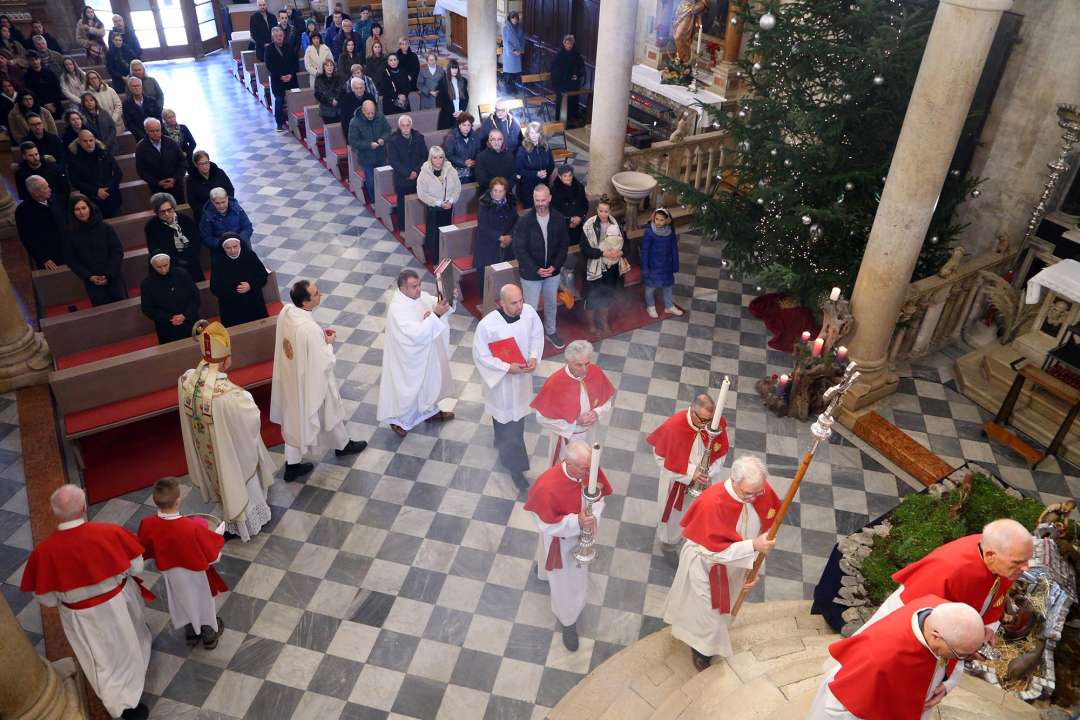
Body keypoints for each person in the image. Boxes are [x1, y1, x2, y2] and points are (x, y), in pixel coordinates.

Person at [19, 484, 152, 720]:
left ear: (50, 511)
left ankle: (123, 705)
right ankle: (126, 704)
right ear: (84, 507)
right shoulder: (110, 532)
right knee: (129, 645)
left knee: (100, 659)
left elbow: (47, 599)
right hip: (118, 604)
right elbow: (136, 567)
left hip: (81, 617)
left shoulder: (43, 553)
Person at [662, 455, 782, 670]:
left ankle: (704, 644)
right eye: (748, 493)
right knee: (709, 616)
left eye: (758, 493)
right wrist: (754, 546)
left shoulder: (760, 490)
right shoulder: (712, 502)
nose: (754, 498)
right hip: (706, 566)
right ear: (734, 481)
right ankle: (702, 652)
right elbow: (713, 552)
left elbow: (765, 534)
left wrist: (753, 568)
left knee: (723, 613)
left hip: (737, 565)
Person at [807, 599, 985, 719]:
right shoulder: (880, 658)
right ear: (936, 637)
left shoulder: (944, 614)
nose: (963, 658)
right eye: (961, 655)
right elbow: (840, 708)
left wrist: (947, 684)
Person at [858, 519, 1032, 640]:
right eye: (1018, 562)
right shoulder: (948, 569)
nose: (1026, 568)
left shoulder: (1002, 562)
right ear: (990, 555)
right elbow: (912, 619)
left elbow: (994, 598)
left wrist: (986, 629)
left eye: (1027, 560)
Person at [180, 321, 277, 539]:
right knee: (239, 481)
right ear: (225, 361)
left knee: (223, 479)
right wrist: (244, 395)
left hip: (209, 450)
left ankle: (232, 514)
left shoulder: (188, 380)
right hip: (230, 451)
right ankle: (245, 521)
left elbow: (187, 381)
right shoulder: (228, 394)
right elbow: (250, 415)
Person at [270, 280, 368, 481]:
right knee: (328, 406)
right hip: (310, 380)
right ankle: (341, 447)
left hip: (291, 376)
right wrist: (329, 343)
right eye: (316, 294)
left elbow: (301, 342)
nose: (320, 294)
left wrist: (317, 339)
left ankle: (295, 463)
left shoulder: (287, 312)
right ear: (305, 303)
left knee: (294, 420)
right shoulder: (308, 329)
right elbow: (325, 361)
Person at [524, 440, 613, 650]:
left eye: (590, 467)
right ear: (568, 463)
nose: (590, 473)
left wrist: (592, 519)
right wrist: (577, 522)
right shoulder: (547, 485)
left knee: (560, 575)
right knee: (567, 583)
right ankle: (568, 620)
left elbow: (598, 499)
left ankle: (543, 573)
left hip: (582, 533)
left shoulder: (590, 470)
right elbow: (545, 524)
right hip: (562, 541)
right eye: (584, 469)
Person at [137, 477, 225, 649]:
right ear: (178, 501)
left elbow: (144, 547)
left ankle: (191, 632)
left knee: (182, 601)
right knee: (202, 602)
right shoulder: (190, 527)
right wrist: (219, 533)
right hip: (196, 574)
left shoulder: (147, 523)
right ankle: (209, 636)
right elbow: (213, 556)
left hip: (171, 575)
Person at [473, 283, 543, 489]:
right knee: (508, 422)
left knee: (513, 421)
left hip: (521, 379)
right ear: (502, 303)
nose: (520, 305)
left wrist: (533, 357)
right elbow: (481, 356)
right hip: (501, 383)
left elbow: (536, 336)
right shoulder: (487, 325)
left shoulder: (528, 313)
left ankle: (500, 442)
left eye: (521, 300)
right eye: (514, 303)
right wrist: (505, 368)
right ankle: (516, 468)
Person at [647, 394, 729, 568]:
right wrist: (692, 473)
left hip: (705, 482)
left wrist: (709, 473)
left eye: (711, 420)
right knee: (674, 517)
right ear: (692, 412)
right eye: (704, 420)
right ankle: (668, 546)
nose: (708, 425)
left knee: (701, 513)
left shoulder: (714, 423)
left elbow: (721, 452)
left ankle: (693, 542)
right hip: (677, 484)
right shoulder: (673, 426)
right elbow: (660, 458)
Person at [376, 269, 457, 437]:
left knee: (430, 381)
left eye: (419, 284)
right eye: (414, 287)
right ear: (402, 289)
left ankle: (430, 412)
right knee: (412, 387)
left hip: (428, 352)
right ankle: (400, 420)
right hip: (410, 358)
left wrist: (449, 299)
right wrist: (436, 314)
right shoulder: (398, 309)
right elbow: (416, 335)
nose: (419, 289)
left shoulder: (421, 296)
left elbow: (437, 305)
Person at [531, 339, 615, 464]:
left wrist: (597, 412)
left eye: (587, 363)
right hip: (567, 437)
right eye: (578, 365)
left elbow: (606, 399)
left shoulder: (595, 371)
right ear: (567, 362)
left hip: (589, 432)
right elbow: (542, 418)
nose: (584, 370)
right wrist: (575, 422)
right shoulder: (555, 382)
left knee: (587, 462)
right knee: (568, 466)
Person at [512, 184, 570, 347]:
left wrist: (555, 266)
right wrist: (536, 269)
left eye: (543, 200)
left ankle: (550, 332)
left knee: (551, 304)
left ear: (549, 198)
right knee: (530, 309)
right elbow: (519, 250)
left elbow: (564, 245)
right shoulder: (524, 222)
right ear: (533, 199)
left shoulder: (558, 218)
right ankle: (530, 337)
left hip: (552, 273)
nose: (540, 204)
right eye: (537, 200)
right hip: (531, 275)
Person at [580, 196, 627, 337]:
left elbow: (626, 244)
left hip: (611, 269)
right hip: (594, 267)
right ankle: (591, 324)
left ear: (610, 211)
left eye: (606, 211)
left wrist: (621, 252)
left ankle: (603, 322)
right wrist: (602, 253)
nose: (603, 214)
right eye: (600, 211)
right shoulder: (588, 226)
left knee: (606, 295)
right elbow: (584, 249)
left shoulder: (617, 224)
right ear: (597, 210)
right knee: (592, 296)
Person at [473, 177, 518, 301]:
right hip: (488, 246)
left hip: (507, 244)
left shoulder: (510, 203)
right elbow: (484, 226)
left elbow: (516, 222)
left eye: (501, 191)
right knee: (486, 276)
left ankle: (504, 298)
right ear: (491, 190)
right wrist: (501, 238)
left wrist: (509, 237)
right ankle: (486, 301)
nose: (498, 194)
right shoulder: (484, 205)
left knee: (504, 274)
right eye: (495, 191)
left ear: (505, 192)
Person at [211, 234, 270, 327]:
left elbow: (262, 276)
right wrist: (234, 291)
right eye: (228, 248)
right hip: (231, 307)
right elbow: (215, 288)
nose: (233, 251)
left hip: (254, 303)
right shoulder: (218, 262)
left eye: (235, 246)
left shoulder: (250, 255)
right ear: (223, 248)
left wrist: (250, 286)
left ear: (240, 245)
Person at [141, 253, 201, 343]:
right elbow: (148, 308)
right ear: (153, 266)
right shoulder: (147, 283)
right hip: (166, 327)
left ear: (169, 262)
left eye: (165, 265)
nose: (163, 269)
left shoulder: (183, 274)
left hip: (191, 321)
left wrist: (185, 315)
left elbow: (195, 297)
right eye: (159, 267)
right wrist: (169, 318)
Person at [145, 192, 204, 282]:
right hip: (169, 267)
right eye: (162, 211)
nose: (167, 214)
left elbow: (196, 242)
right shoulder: (151, 227)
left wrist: (188, 260)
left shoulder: (185, 219)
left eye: (169, 210)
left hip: (192, 263)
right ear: (156, 212)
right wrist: (177, 262)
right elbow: (155, 250)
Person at [417, 145, 461, 263]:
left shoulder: (451, 170)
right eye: (435, 158)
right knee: (435, 236)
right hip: (434, 210)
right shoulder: (424, 173)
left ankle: (447, 257)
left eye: (441, 157)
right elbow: (422, 194)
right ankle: (436, 260)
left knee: (447, 234)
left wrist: (450, 201)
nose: (438, 161)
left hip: (448, 208)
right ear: (430, 159)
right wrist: (439, 203)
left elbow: (457, 188)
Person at [67, 129, 124, 218]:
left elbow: (118, 174)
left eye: (91, 140)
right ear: (79, 142)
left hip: (111, 197)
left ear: (95, 140)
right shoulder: (74, 159)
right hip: (91, 201)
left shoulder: (105, 153)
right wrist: (96, 191)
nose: (89, 143)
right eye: (85, 141)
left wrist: (106, 190)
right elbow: (76, 181)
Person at [641, 207, 684, 319]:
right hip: (653, 265)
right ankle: (650, 306)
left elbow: (674, 249)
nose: (658, 222)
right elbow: (644, 252)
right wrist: (645, 269)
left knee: (668, 286)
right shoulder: (649, 232)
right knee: (650, 287)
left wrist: (675, 264)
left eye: (661, 220)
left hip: (666, 264)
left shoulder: (670, 231)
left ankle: (669, 306)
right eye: (656, 219)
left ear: (667, 220)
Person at [15, 175, 66, 269]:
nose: (50, 190)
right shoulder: (23, 211)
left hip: (67, 249)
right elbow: (27, 239)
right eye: (46, 188)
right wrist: (43, 258)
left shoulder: (54, 199)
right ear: (36, 193)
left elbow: (66, 221)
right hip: (50, 257)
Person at [387, 114, 426, 232]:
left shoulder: (419, 137)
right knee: (402, 204)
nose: (405, 128)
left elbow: (425, 156)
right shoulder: (393, 140)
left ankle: (417, 225)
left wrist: (416, 171)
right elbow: (394, 161)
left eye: (407, 125)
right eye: (403, 126)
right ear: (399, 127)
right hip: (402, 178)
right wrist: (408, 173)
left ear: (411, 126)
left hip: (417, 176)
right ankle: (403, 228)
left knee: (417, 203)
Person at [348, 98, 390, 204]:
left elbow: (388, 131)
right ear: (363, 111)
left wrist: (383, 139)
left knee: (383, 180)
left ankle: (383, 200)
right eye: (368, 113)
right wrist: (369, 145)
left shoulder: (380, 117)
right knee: (371, 182)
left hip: (381, 155)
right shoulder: (355, 122)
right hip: (366, 158)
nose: (371, 115)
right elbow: (353, 142)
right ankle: (374, 201)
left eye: (372, 112)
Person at [136, 117, 187, 204]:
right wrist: (157, 182)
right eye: (152, 131)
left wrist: (175, 178)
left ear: (161, 129)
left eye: (157, 130)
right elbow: (141, 170)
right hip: (157, 189)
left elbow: (183, 162)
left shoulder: (171, 142)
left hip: (176, 187)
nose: (155, 133)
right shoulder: (141, 147)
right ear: (146, 131)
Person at [186, 151, 235, 225]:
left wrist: (225, 204)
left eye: (206, 163)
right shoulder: (191, 179)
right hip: (204, 213)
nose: (204, 166)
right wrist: (206, 212)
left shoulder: (219, 172)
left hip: (223, 208)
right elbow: (192, 200)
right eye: (201, 164)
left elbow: (230, 189)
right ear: (196, 164)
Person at [265, 26, 299, 133]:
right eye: (276, 36)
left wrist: (291, 74)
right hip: (278, 80)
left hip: (291, 79)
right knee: (279, 101)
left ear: (283, 36)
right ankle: (279, 123)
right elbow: (269, 65)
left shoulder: (289, 47)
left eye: (280, 35)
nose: (279, 38)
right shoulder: (269, 49)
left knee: (295, 100)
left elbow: (295, 61)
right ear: (272, 37)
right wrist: (281, 76)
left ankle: (295, 122)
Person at [516, 121, 554, 209]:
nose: (534, 135)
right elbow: (519, 169)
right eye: (531, 133)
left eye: (536, 132)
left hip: (544, 184)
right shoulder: (522, 149)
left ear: (540, 133)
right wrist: (536, 174)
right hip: (528, 187)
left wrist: (546, 173)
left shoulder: (545, 147)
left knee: (544, 208)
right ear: (528, 134)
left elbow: (551, 164)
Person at [549, 164, 588, 247]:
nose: (568, 178)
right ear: (560, 177)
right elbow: (554, 210)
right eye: (565, 176)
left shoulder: (579, 186)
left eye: (570, 175)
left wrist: (579, 218)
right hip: (563, 226)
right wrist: (570, 220)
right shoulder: (554, 191)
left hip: (578, 224)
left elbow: (584, 204)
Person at [552, 34, 586, 127]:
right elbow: (557, 71)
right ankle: (561, 120)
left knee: (573, 100)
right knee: (563, 101)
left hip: (573, 83)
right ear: (564, 43)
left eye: (571, 43)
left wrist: (577, 75)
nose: (570, 45)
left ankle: (572, 119)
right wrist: (569, 76)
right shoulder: (560, 55)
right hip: (563, 83)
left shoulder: (576, 53)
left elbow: (581, 65)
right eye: (568, 43)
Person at [340, 71, 378, 139]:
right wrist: (348, 137)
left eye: (361, 88)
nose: (359, 90)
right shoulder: (346, 99)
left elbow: (376, 115)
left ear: (364, 88)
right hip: (354, 132)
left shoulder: (370, 97)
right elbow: (344, 120)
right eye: (357, 88)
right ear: (352, 89)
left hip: (370, 132)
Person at [122, 77, 162, 142]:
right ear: (130, 88)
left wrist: (156, 132)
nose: (136, 88)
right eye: (134, 86)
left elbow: (158, 117)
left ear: (141, 87)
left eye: (138, 85)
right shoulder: (126, 104)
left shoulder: (152, 101)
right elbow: (130, 124)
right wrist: (143, 136)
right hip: (140, 137)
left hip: (155, 134)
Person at [445, 112, 479, 182]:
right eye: (464, 125)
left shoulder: (474, 136)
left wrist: (475, 161)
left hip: (473, 169)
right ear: (459, 125)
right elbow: (449, 155)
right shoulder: (451, 137)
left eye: (468, 125)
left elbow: (479, 150)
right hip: (458, 171)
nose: (466, 128)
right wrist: (463, 162)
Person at [437, 59, 468, 130]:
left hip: (461, 114)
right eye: (452, 69)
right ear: (449, 69)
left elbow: (465, 97)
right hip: (447, 115)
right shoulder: (442, 82)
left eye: (456, 69)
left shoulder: (463, 81)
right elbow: (442, 100)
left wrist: (461, 110)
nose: (454, 71)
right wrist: (452, 112)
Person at [314, 57, 344, 123]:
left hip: (338, 109)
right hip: (326, 110)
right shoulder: (319, 78)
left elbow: (343, 91)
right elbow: (318, 94)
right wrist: (330, 101)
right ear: (324, 67)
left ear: (334, 67)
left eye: (331, 65)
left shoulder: (338, 77)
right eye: (327, 65)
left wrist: (337, 100)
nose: (329, 67)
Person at [501, 11, 524, 94]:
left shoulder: (519, 27)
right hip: (510, 53)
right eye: (513, 18)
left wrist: (521, 49)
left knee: (515, 72)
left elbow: (522, 40)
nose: (515, 20)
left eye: (516, 18)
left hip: (518, 52)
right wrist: (513, 50)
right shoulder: (506, 28)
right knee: (509, 72)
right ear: (510, 19)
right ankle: (508, 88)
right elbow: (506, 42)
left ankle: (513, 87)